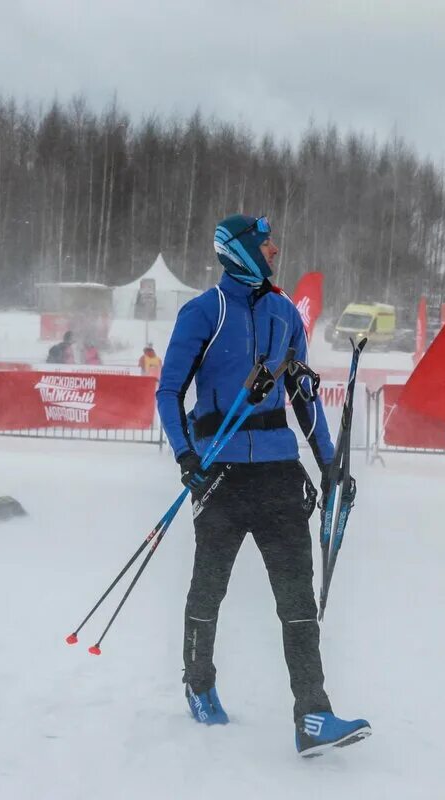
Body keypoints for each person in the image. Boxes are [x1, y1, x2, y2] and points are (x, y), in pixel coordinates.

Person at [156, 213, 371, 757]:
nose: (275, 250)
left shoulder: (284, 313)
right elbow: (169, 391)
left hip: (278, 473)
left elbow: (303, 397)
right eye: (266, 243)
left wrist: (330, 465)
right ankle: (198, 682)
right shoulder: (203, 312)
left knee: (297, 599)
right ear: (239, 249)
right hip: (220, 474)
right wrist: (185, 456)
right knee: (209, 588)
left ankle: (313, 714)